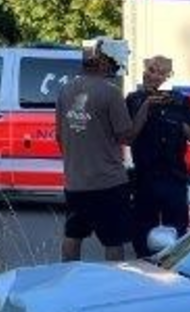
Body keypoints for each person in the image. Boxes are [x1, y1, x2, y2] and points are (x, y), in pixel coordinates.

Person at [55, 37, 151, 262]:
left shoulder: (66, 91)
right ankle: (112, 284)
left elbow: (59, 135)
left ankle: (67, 279)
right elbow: (126, 137)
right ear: (104, 62)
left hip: (75, 182)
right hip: (108, 183)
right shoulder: (110, 93)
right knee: (113, 240)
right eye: (115, 61)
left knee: (73, 233)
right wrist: (144, 111)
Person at [125, 55, 190, 258]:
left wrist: (178, 125)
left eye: (160, 72)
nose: (153, 75)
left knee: (177, 236)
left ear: (168, 77)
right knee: (141, 236)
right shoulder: (133, 100)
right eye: (151, 69)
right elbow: (128, 138)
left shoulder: (182, 102)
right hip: (145, 178)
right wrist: (146, 106)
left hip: (174, 177)